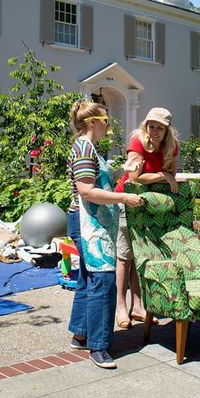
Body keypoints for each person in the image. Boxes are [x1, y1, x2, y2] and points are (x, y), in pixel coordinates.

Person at [66, 101, 144, 369]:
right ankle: (99, 346)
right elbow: (86, 191)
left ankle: (81, 333)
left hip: (89, 223)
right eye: (106, 121)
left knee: (89, 279)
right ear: (92, 122)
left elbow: (98, 180)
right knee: (104, 281)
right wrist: (124, 196)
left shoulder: (87, 148)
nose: (108, 127)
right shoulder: (85, 149)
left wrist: (123, 172)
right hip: (90, 225)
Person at [113, 107, 179, 329]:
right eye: (151, 126)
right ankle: (121, 306)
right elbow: (134, 177)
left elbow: (174, 177)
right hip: (127, 200)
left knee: (143, 256)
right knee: (124, 257)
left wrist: (165, 176)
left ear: (167, 130)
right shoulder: (138, 141)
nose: (154, 131)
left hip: (150, 205)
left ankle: (139, 306)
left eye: (159, 127)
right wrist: (162, 175)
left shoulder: (172, 146)